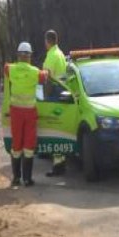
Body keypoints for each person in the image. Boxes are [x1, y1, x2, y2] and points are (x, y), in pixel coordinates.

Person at [2, 42, 48, 188]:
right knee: (29, 145)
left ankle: (16, 178)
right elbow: (44, 77)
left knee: (17, 144)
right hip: (29, 112)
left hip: (15, 111)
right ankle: (27, 180)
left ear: (18, 55)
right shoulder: (35, 72)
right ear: (29, 56)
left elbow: (5, 67)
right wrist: (47, 71)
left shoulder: (11, 69)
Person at [42, 29, 68, 177]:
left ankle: (58, 166)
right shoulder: (60, 54)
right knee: (60, 130)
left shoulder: (52, 55)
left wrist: (44, 98)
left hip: (54, 94)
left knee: (53, 129)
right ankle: (61, 162)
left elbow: (47, 79)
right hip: (62, 93)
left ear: (48, 41)